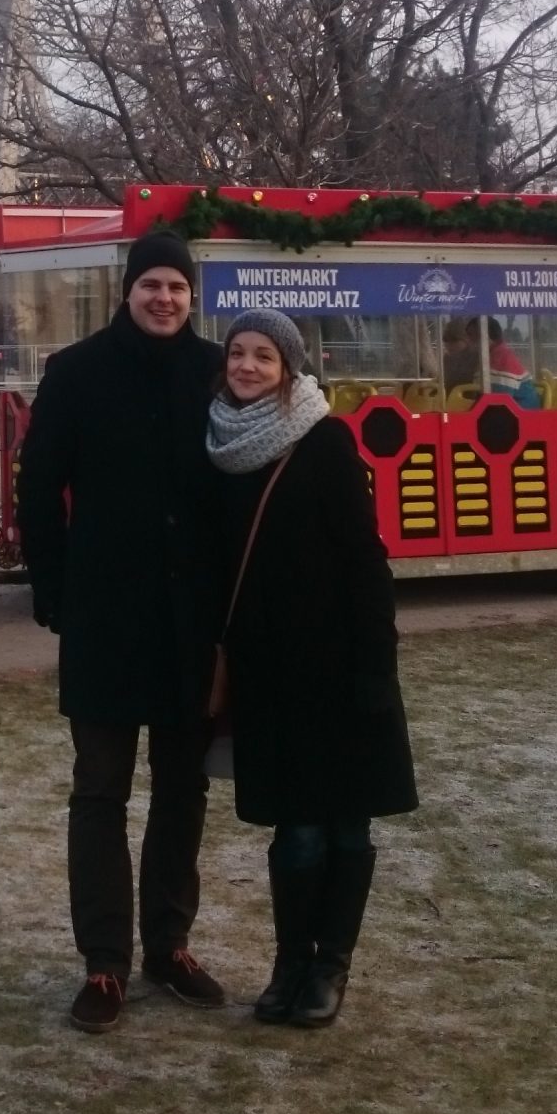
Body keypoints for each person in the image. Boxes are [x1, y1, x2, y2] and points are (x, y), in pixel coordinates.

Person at [18, 230, 226, 1034]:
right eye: (152, 286)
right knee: (100, 792)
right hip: (106, 616)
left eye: (177, 286)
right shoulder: (74, 374)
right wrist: (56, 592)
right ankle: (104, 962)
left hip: (191, 624)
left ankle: (168, 946)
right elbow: (40, 489)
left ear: (190, 294)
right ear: (128, 291)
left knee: (183, 791)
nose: (164, 298)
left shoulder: (218, 373)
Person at [206, 309, 418, 1028]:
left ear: (290, 368)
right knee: (294, 831)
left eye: (264, 355)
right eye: (238, 352)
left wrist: (374, 665)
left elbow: (365, 559)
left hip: (337, 665)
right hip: (267, 673)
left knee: (347, 828)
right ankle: (290, 963)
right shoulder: (217, 444)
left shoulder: (324, 439)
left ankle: (332, 967)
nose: (246, 366)